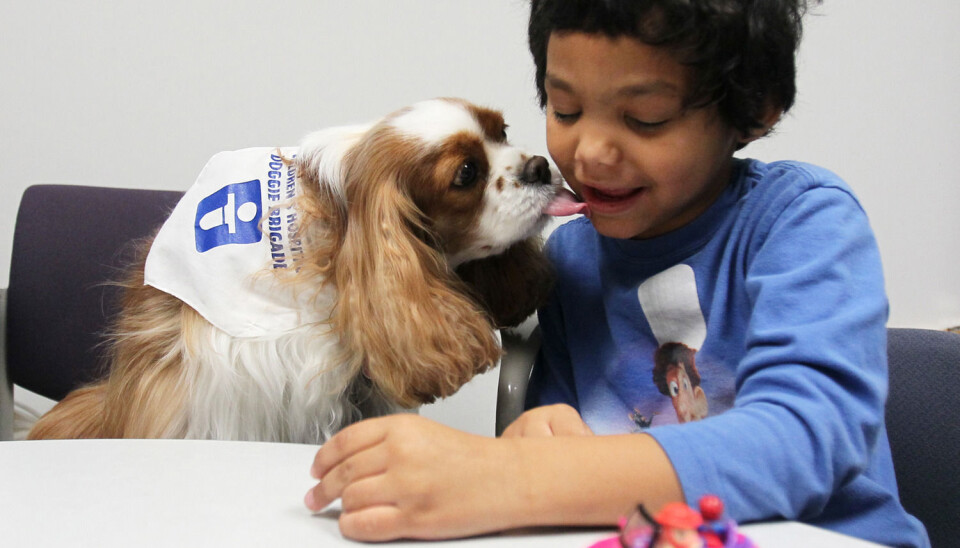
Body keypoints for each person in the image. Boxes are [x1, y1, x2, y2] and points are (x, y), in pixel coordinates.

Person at [303, 1, 929, 546]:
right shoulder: (572, 258)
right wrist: (540, 435)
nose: (587, 153)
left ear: (756, 111)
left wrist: (506, 475)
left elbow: (806, 440)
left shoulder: (802, 221)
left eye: (646, 119)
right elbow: (560, 443)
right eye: (565, 109)